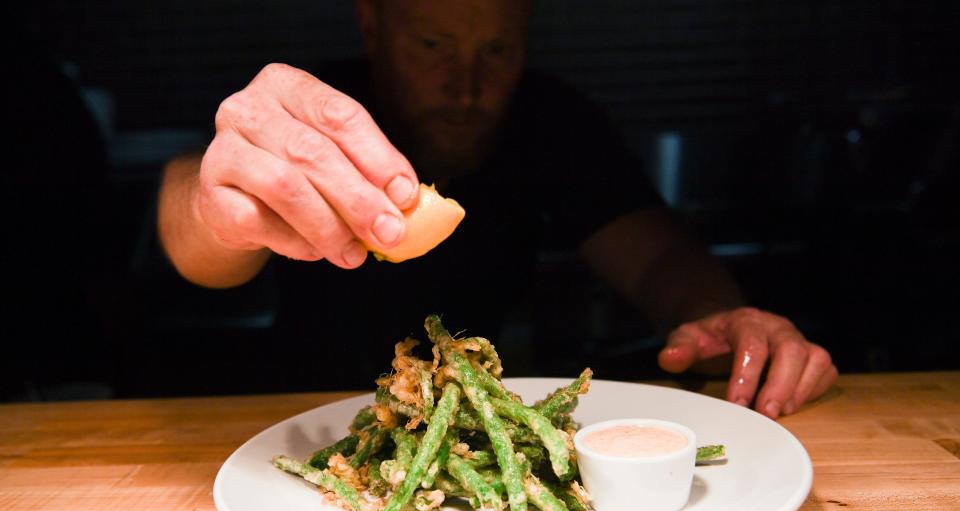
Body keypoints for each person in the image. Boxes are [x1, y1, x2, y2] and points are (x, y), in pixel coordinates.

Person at [157, 0, 837, 418]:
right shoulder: (319, 110)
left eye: (497, 50)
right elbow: (189, 222)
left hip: (486, 419)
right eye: (432, 46)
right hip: (304, 418)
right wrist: (213, 206)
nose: (468, 86)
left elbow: (658, 257)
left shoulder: (552, 120)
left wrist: (723, 319)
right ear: (372, 27)